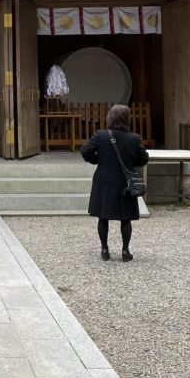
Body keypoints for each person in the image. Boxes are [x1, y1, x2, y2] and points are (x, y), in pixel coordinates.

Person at [80, 104, 149, 262]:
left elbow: (85, 151)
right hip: (125, 181)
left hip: (103, 179)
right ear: (127, 118)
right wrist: (130, 163)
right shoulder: (134, 138)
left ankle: (104, 249)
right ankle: (125, 250)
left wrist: (97, 160)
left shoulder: (101, 135)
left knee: (103, 216)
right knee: (126, 218)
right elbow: (144, 159)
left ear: (110, 118)